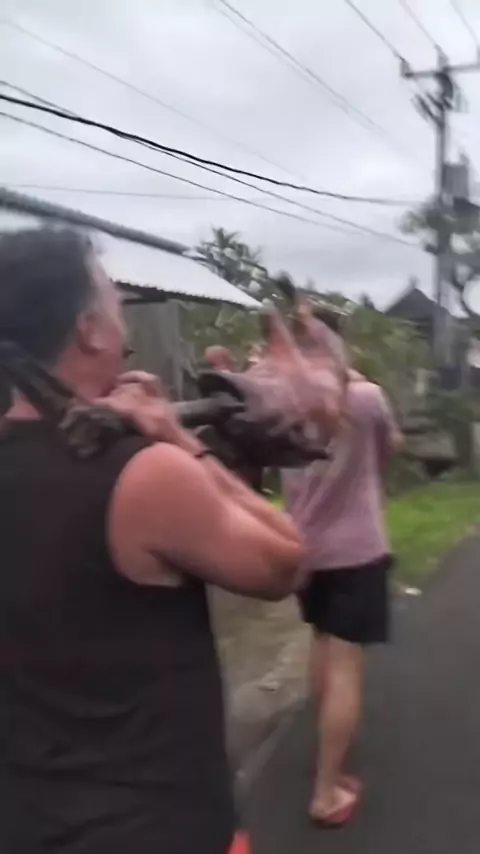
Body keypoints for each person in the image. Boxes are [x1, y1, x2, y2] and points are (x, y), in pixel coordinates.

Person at [0, 226, 306, 854]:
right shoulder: (145, 473)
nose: (124, 319)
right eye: (115, 302)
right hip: (155, 826)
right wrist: (177, 438)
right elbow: (285, 562)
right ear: (89, 330)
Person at [283, 306, 403, 828]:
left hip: (304, 549)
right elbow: (389, 448)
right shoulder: (366, 397)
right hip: (357, 550)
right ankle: (326, 792)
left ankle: (324, 751)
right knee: (346, 665)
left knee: (320, 642)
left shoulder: (281, 401)